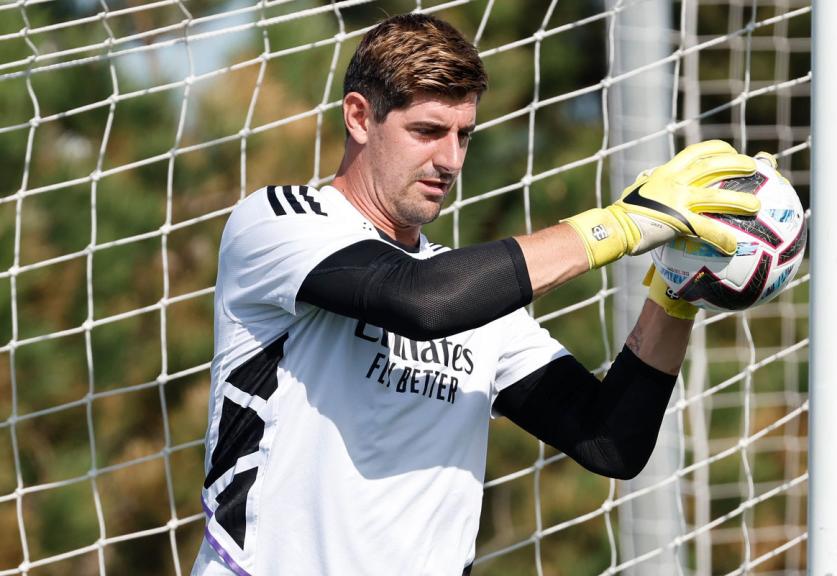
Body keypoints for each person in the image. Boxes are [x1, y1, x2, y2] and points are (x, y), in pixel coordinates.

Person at [192, 13, 759, 576]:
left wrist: (676, 290)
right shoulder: (279, 222)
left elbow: (610, 441)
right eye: (428, 131)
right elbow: (419, 302)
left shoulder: (475, 298)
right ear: (360, 117)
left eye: (463, 134)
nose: (451, 160)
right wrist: (623, 225)